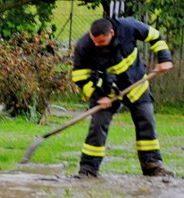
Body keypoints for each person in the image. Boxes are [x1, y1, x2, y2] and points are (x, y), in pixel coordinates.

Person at [71, 17, 175, 178]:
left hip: (136, 84)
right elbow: (79, 76)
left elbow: (155, 36)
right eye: (94, 41)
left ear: (111, 33)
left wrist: (165, 59)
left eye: (101, 41)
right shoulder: (84, 46)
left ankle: (152, 166)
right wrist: (97, 96)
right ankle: (88, 170)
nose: (96, 45)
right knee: (98, 126)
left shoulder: (129, 27)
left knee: (146, 121)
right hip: (106, 91)